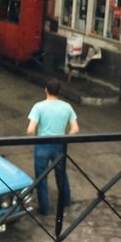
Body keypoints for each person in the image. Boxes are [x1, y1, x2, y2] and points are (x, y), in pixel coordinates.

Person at [26, 79, 79, 216]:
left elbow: (30, 130)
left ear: (46, 90)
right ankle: (65, 201)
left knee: (41, 177)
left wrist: (35, 140)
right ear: (59, 92)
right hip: (59, 144)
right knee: (61, 175)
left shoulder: (39, 107)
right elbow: (75, 128)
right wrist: (65, 137)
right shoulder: (67, 107)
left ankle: (44, 208)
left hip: (43, 145)